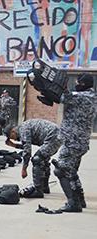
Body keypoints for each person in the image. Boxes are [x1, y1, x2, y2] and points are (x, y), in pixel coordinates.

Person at [52, 74, 97, 212]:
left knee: (61, 170)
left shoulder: (79, 97)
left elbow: (62, 97)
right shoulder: (93, 97)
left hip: (72, 141)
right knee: (71, 171)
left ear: (82, 84)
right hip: (81, 142)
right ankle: (80, 200)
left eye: (78, 82)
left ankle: (73, 203)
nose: (76, 84)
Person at [5, 119, 61, 198]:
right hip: (55, 136)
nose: (14, 139)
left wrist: (24, 169)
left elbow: (27, 151)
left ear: (13, 131)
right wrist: (14, 145)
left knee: (37, 159)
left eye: (11, 137)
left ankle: (38, 190)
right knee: (43, 159)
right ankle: (44, 187)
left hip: (53, 136)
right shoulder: (23, 128)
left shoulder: (23, 130)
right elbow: (26, 145)